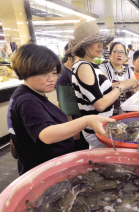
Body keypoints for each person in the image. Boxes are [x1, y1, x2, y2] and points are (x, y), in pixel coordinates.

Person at [7, 44, 115, 175]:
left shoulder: (32, 94)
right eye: (42, 74)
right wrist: (87, 120)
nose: (51, 79)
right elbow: (46, 135)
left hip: (50, 166)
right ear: (25, 71)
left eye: (53, 73)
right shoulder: (27, 100)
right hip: (43, 172)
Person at [71, 22, 137, 148]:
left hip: (103, 124)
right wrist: (121, 87)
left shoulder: (90, 65)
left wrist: (124, 83)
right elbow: (100, 104)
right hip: (97, 129)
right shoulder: (84, 67)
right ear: (83, 45)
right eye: (95, 41)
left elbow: (101, 89)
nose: (100, 45)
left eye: (100, 41)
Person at [55, 42, 89, 151]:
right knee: (79, 149)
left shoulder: (74, 70)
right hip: (74, 120)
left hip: (80, 118)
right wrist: (73, 128)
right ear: (70, 57)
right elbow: (61, 103)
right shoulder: (63, 75)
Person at [99, 42, 138, 115]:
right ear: (110, 55)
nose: (119, 54)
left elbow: (135, 86)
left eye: (122, 52)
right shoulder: (102, 68)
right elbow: (104, 88)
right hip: (108, 112)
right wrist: (124, 85)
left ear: (125, 56)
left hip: (127, 112)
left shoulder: (129, 70)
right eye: (116, 51)